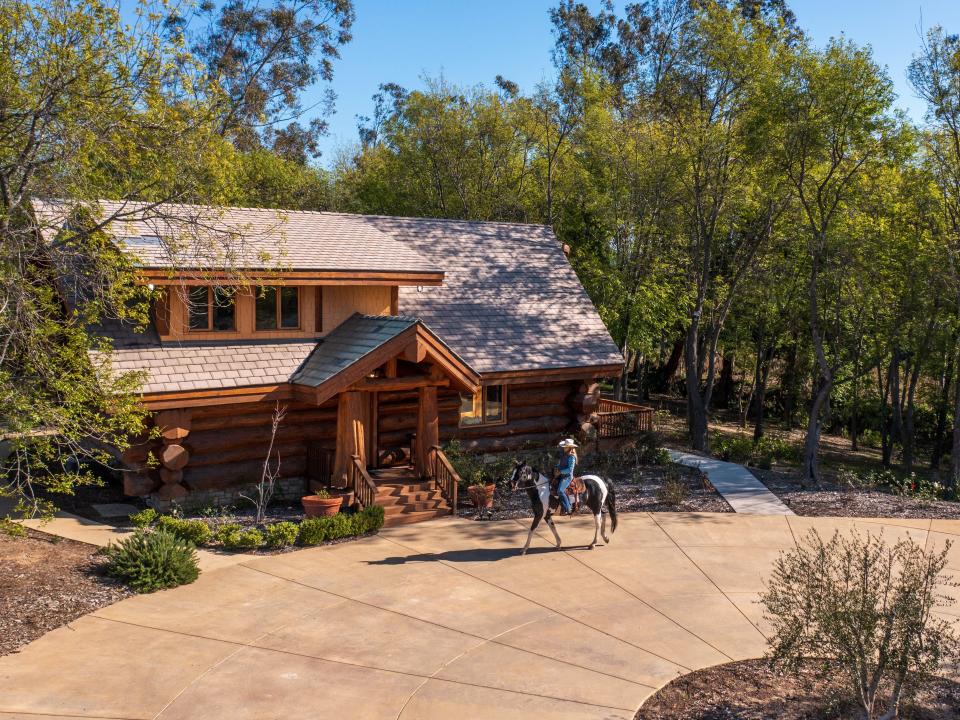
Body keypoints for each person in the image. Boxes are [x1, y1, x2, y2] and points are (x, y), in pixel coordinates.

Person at [555, 438, 578, 514]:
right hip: (561, 475)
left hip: (567, 477)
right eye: (564, 446)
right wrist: (557, 467)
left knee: (560, 491)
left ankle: (568, 508)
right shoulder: (564, 455)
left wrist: (560, 472)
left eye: (566, 447)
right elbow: (560, 464)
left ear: (570, 448)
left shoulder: (572, 457)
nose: (564, 448)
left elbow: (570, 469)